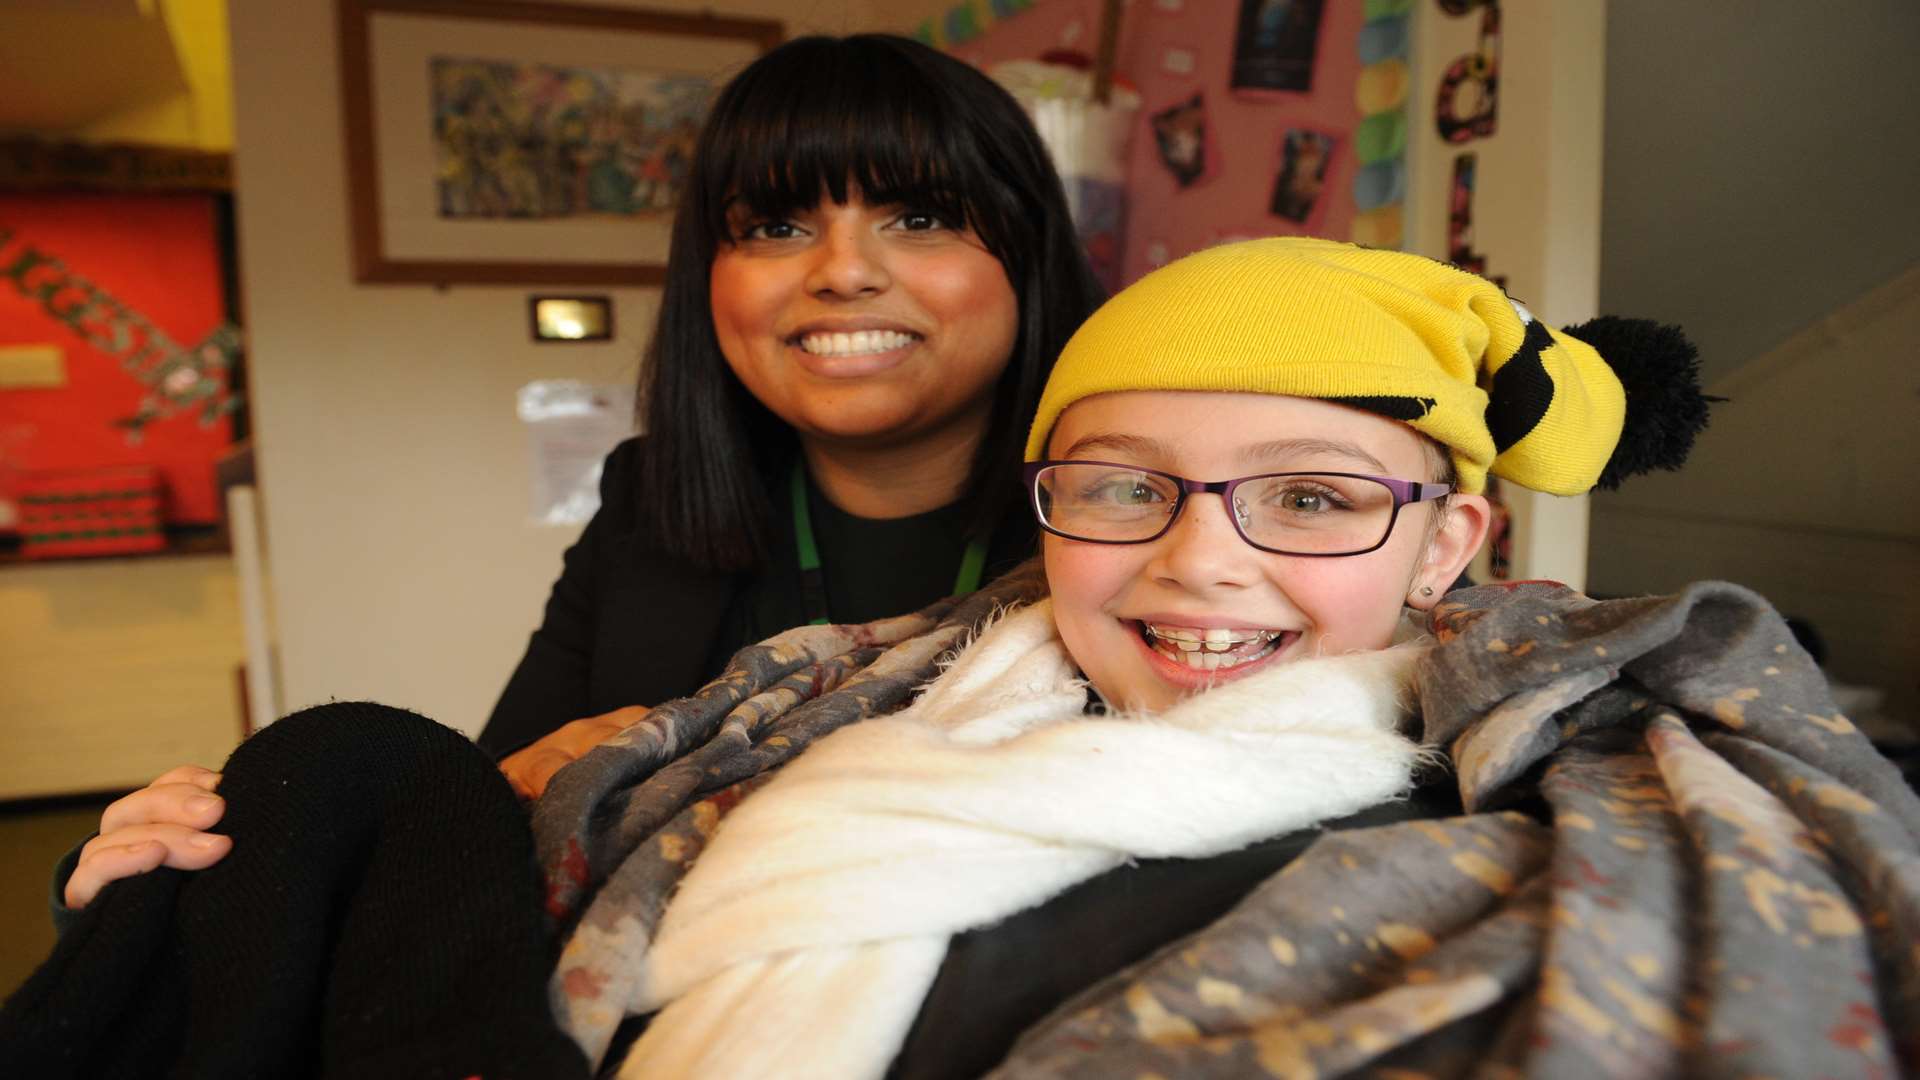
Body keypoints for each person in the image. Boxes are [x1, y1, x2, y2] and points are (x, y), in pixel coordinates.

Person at [534, 236, 1756, 1078]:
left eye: (1313, 500)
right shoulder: (867, 710)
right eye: (1126, 487)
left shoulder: (1521, 850)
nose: (1202, 559)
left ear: (1445, 547)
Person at [54, 33, 1104, 915]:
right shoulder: (649, 504)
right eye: (776, 226)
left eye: (918, 217)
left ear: (1025, 252)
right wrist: (196, 861)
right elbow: (493, 804)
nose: (841, 270)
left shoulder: (1148, 538)